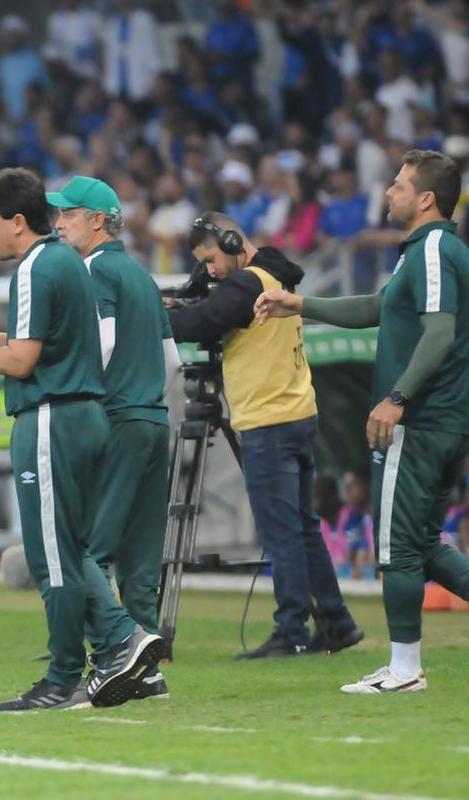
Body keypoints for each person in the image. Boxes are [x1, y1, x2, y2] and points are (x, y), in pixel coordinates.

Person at [0, 168, 165, 712]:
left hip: (52, 417)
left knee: (55, 555)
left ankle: (88, 662)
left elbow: (24, 361)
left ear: (17, 222)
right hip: (86, 417)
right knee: (69, 548)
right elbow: (49, 342)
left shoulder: (33, 268)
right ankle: (106, 653)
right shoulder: (68, 261)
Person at [256, 149, 469, 694]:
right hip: (441, 419)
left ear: (426, 198)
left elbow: (439, 332)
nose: (388, 193)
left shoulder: (436, 247)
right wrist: (299, 304)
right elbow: (376, 308)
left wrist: (397, 397)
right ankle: (403, 667)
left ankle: (404, 670)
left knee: (397, 548)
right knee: (422, 544)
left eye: (398, 185)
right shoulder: (421, 252)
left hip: (423, 419)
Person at [168, 212, 361, 659]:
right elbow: (215, 310)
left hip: (267, 420)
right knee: (303, 529)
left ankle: (291, 629)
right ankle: (337, 623)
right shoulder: (275, 270)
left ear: (233, 242)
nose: (210, 270)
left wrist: (165, 317)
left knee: (281, 533)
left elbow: (202, 324)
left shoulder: (246, 284)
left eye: (212, 259)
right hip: (296, 413)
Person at [49, 175, 178, 700]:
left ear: (96, 220)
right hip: (153, 419)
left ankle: (114, 655)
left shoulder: (93, 270)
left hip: (117, 420)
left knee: (84, 547)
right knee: (141, 559)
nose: (58, 223)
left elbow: (98, 346)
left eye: (68, 214)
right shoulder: (144, 277)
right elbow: (172, 362)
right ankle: (147, 674)